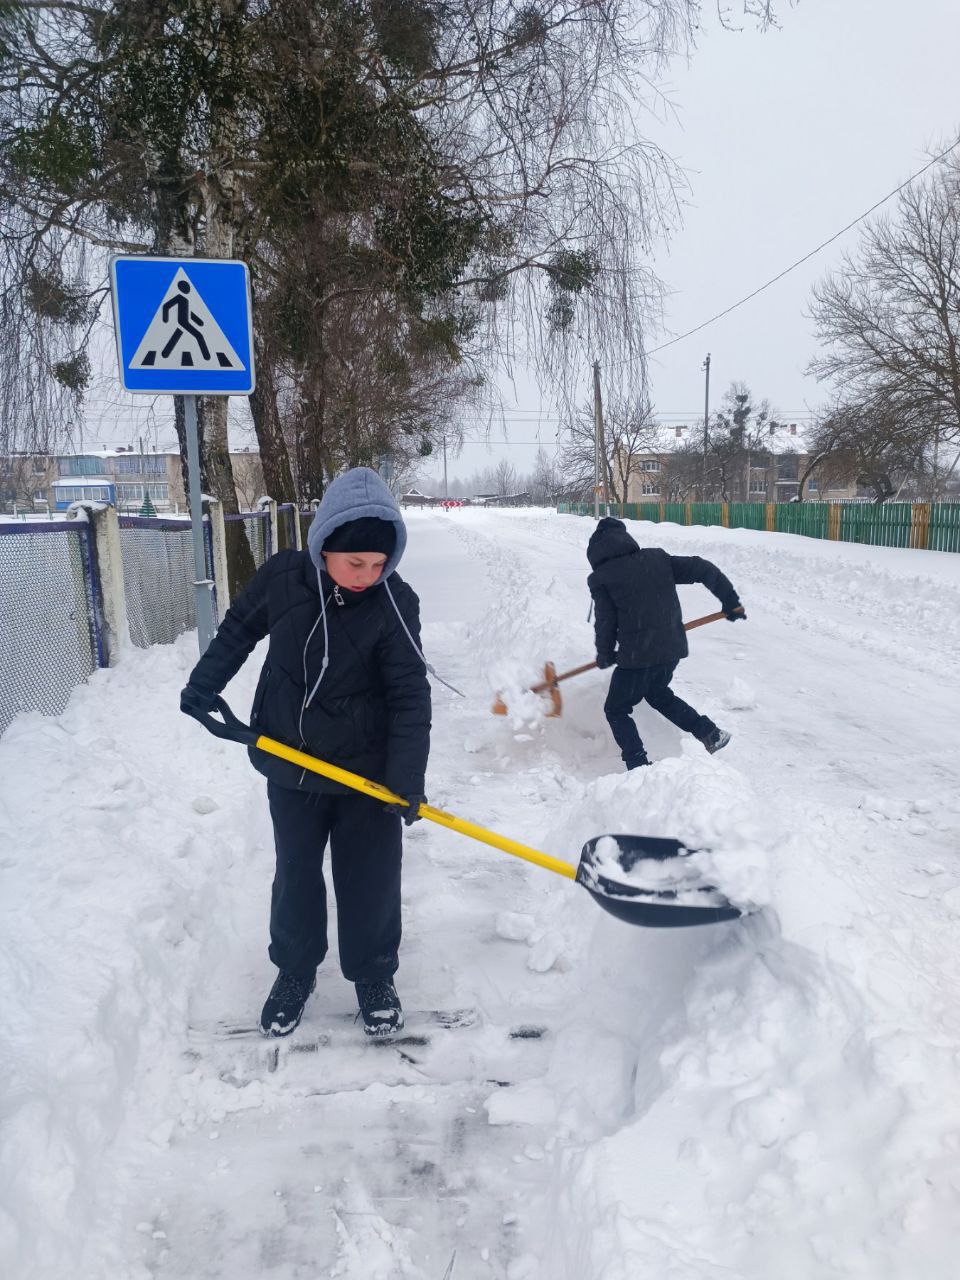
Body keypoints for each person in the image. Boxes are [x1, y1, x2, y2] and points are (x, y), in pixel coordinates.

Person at [179, 468, 431, 1038]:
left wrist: (406, 779)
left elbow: (410, 696)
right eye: (355, 563)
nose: (369, 576)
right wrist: (204, 684)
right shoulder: (285, 579)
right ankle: (294, 971)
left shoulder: (395, 602)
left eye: (379, 564)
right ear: (324, 548)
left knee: (369, 877)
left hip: (367, 776)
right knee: (295, 875)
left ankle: (372, 975)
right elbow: (239, 629)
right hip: (290, 760)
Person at [586, 517, 745, 769]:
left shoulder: (601, 578)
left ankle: (637, 765)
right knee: (658, 694)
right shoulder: (657, 559)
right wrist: (729, 599)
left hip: (638, 656)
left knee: (616, 709)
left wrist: (605, 652)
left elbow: (605, 621)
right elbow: (702, 568)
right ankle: (711, 733)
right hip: (671, 649)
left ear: (595, 552)